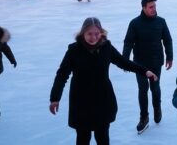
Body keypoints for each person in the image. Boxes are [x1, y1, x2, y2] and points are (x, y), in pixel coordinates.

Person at [50, 17, 157, 145]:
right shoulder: (74, 51)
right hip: (81, 101)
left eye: (97, 33)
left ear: (101, 33)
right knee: (83, 138)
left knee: (103, 137)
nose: (93, 37)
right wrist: (55, 98)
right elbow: (62, 75)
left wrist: (144, 71)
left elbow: (123, 62)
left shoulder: (106, 47)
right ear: (83, 33)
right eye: (89, 33)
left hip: (102, 99)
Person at [122, 0, 174, 134]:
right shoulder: (135, 23)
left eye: (154, 6)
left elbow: (167, 40)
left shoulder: (161, 22)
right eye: (151, 7)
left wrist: (170, 57)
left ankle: (157, 108)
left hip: (156, 61)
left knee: (155, 87)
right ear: (143, 8)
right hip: (139, 63)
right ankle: (144, 117)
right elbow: (128, 42)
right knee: (142, 89)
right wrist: (125, 60)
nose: (154, 9)